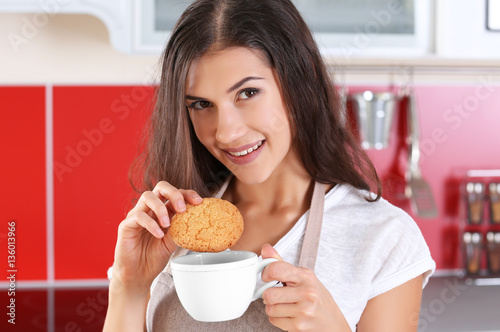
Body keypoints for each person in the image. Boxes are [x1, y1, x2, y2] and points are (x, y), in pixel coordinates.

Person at [103, 0, 435, 331]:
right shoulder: (169, 230)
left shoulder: (383, 237)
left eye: (247, 93)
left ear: (298, 85)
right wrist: (128, 285)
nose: (226, 132)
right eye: (202, 104)